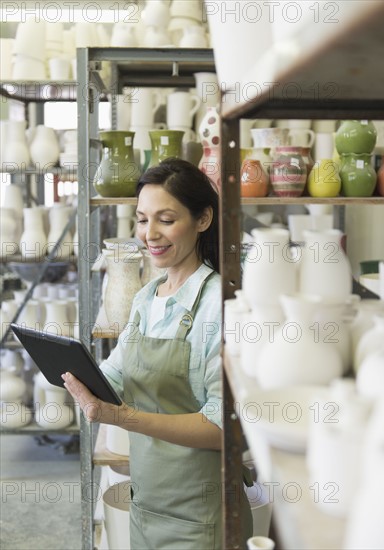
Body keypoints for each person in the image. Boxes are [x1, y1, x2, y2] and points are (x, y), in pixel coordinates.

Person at [63, 158, 252, 549]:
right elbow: (115, 373)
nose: (150, 234)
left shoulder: (218, 304)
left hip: (202, 519)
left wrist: (125, 418)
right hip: (147, 507)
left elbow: (224, 429)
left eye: (166, 219)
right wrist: (72, 373)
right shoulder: (147, 298)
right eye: (142, 219)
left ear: (203, 220)